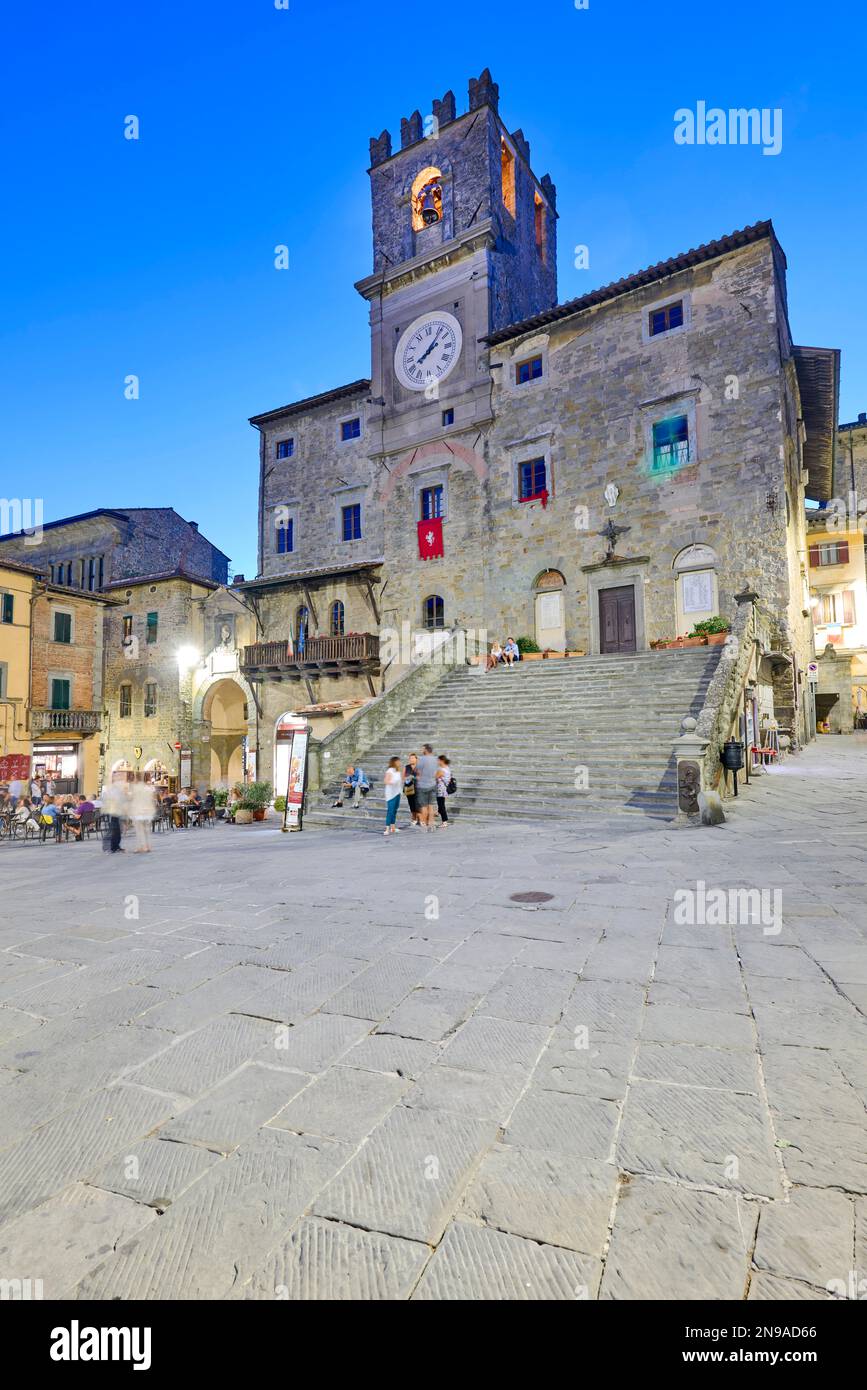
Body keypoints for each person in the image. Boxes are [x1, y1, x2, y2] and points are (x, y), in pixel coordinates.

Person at [415, 744, 439, 830]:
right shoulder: (436, 759)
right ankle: (431, 824)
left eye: (422, 749)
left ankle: (424, 824)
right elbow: (437, 772)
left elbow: (417, 771)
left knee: (424, 806)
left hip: (423, 785)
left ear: (426, 750)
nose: (421, 750)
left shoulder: (422, 759)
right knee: (431, 806)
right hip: (432, 784)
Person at [101, 780, 129, 853]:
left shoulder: (118, 792)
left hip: (117, 813)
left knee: (117, 831)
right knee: (113, 831)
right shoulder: (111, 791)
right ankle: (111, 847)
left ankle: (116, 846)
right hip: (112, 813)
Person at [130, 777, 156, 853]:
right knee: (146, 830)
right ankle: (147, 846)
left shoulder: (136, 789)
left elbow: (132, 800)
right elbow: (152, 800)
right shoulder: (148, 789)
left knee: (139, 830)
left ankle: (142, 846)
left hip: (139, 812)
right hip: (147, 812)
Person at [383, 756, 402, 836]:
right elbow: (386, 781)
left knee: (395, 810)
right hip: (391, 793)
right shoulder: (390, 770)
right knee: (390, 810)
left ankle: (393, 827)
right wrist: (393, 782)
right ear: (394, 762)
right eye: (398, 761)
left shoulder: (398, 771)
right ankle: (387, 828)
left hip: (397, 792)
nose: (399, 763)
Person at [403, 753, 421, 826]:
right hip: (409, 788)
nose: (411, 760)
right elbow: (402, 777)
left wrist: (413, 777)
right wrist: (407, 778)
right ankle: (414, 818)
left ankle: (420, 819)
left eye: (413, 758)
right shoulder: (406, 767)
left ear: (416, 759)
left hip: (418, 788)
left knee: (418, 804)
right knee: (411, 804)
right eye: (410, 758)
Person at [436, 755, 453, 828]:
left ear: (442, 761)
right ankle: (438, 813)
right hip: (444, 789)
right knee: (441, 804)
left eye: (438, 760)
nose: (437, 762)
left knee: (441, 805)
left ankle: (444, 821)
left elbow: (435, 777)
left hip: (440, 790)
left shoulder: (441, 770)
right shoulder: (448, 768)